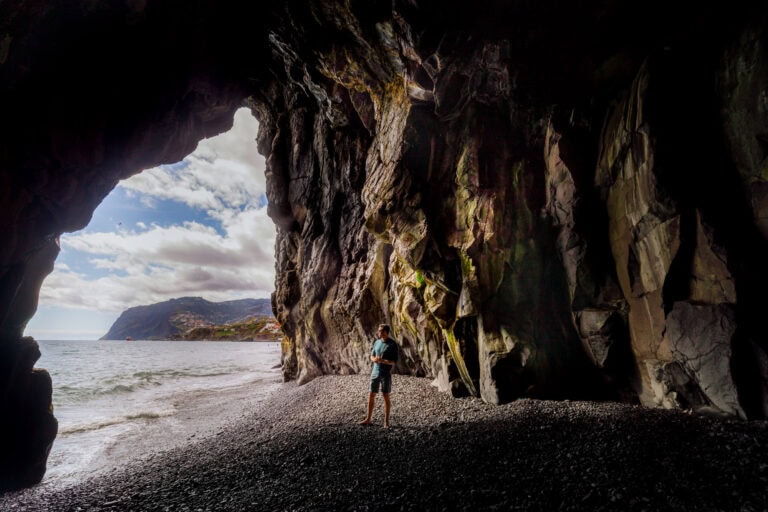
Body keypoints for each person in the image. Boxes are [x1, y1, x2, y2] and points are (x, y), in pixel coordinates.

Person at [358, 323, 398, 428]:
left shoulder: (392, 344)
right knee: (371, 394)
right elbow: (372, 356)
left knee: (386, 396)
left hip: (386, 373)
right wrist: (374, 359)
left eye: (381, 331)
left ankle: (386, 422)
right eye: (379, 331)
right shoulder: (377, 342)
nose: (379, 333)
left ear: (387, 332)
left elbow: (394, 361)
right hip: (375, 372)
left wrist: (383, 361)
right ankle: (368, 419)